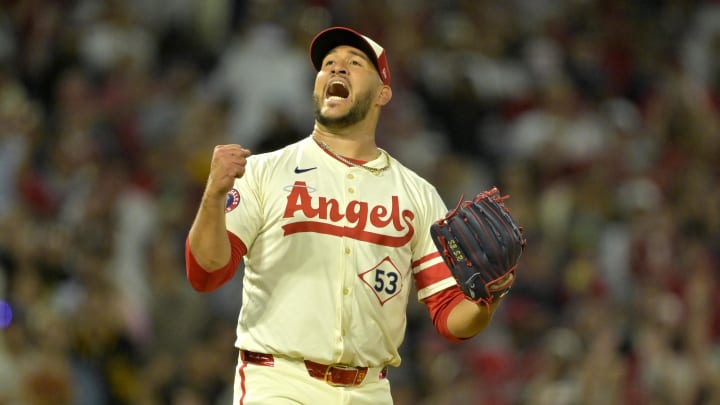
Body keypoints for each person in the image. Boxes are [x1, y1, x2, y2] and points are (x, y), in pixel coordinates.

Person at [185, 26, 511, 404]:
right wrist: (212, 196)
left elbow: (451, 318)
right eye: (328, 65)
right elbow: (206, 272)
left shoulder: (417, 194)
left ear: (383, 93)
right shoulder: (263, 171)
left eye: (353, 63)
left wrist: (490, 297)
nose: (336, 70)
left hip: (369, 389)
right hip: (279, 381)